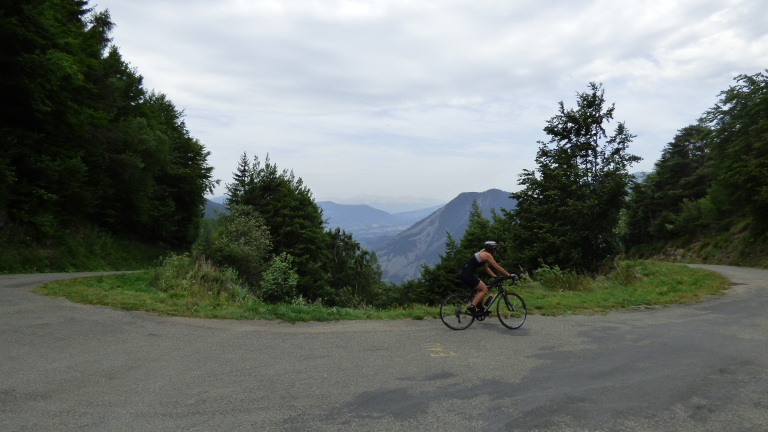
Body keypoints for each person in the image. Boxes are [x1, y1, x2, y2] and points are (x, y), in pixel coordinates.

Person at [458, 241, 516, 316]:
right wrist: (509, 275)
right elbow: (498, 267)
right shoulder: (487, 255)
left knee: (482, 288)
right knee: (484, 289)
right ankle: (471, 307)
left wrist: (495, 277)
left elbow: (487, 269)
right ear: (493, 249)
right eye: (495, 249)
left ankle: (481, 308)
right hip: (467, 274)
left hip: (464, 273)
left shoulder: (482, 254)